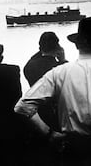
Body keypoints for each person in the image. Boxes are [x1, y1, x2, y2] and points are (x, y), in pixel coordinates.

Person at [14, 17, 91, 166]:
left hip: (75, 151)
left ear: (77, 45)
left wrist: (50, 134)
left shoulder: (59, 73)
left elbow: (22, 106)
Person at [23, 32, 67, 165]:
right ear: (57, 47)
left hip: (40, 113)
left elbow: (33, 59)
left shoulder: (29, 66)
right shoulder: (60, 67)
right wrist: (63, 59)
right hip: (58, 113)